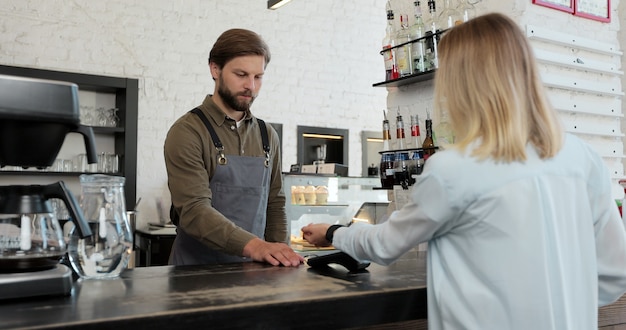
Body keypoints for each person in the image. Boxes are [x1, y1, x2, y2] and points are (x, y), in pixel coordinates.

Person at [302, 13, 626, 329]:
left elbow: (385, 245)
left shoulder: (452, 170)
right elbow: (615, 273)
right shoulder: (582, 158)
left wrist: (333, 233)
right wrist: (558, 305)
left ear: (462, 85)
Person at [164, 28, 303, 267]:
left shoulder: (267, 135)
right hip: (194, 274)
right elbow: (195, 211)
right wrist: (257, 246)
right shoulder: (187, 132)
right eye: (241, 74)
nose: (251, 86)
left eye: (258, 77)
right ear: (215, 69)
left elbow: (275, 203)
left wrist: (281, 258)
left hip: (253, 273)